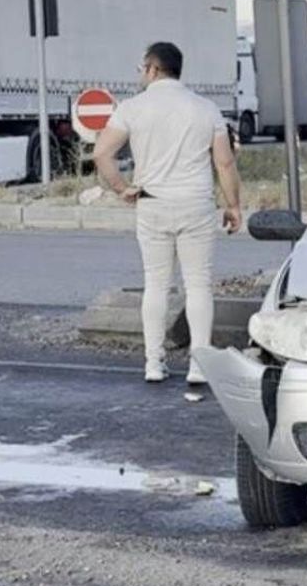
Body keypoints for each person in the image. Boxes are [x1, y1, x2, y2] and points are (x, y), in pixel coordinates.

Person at [92, 42, 243, 384]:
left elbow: (102, 153)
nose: (141, 74)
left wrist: (121, 188)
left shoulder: (132, 108)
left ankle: (153, 363)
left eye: (142, 68)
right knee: (199, 284)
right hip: (196, 204)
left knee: (156, 284)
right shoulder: (206, 108)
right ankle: (199, 365)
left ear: (153, 69)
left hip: (152, 203)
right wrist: (233, 205)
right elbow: (224, 162)